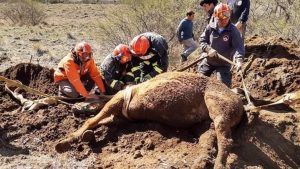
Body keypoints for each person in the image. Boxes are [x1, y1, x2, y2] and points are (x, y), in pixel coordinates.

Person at [198, 3, 245, 87]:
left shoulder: (233, 30)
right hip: (209, 60)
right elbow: (202, 41)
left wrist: (239, 60)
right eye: (220, 19)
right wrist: (208, 49)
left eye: (226, 19)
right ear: (216, 17)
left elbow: (238, 47)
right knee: (198, 82)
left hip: (224, 64)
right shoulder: (210, 27)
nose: (224, 21)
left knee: (223, 88)